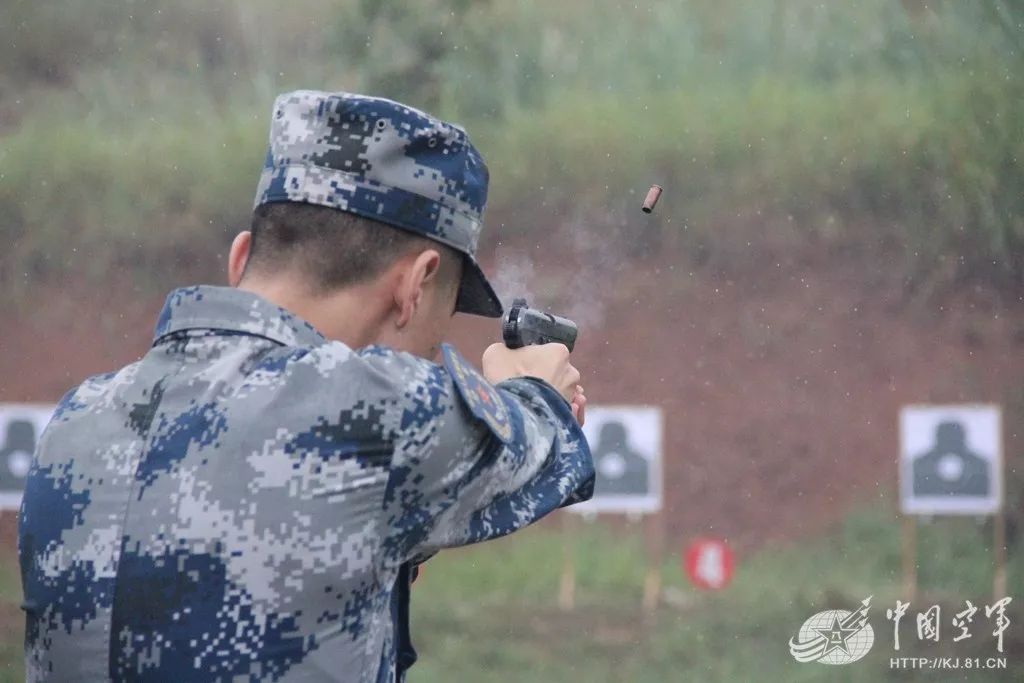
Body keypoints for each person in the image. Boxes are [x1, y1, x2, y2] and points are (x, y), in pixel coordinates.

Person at [18, 90, 595, 683]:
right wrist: (536, 389)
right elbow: (536, 444)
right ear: (416, 284)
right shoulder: (370, 407)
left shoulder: (76, 421)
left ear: (241, 257)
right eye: (443, 312)